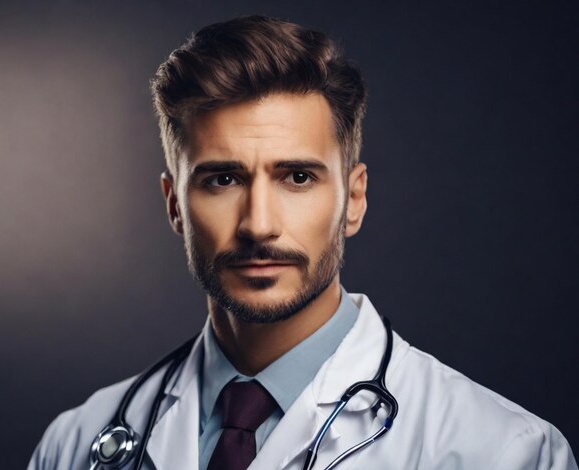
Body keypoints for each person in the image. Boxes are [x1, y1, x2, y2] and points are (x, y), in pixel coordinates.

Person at [28, 15, 577, 470]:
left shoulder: (505, 453)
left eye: (297, 177)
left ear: (354, 199)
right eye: (223, 179)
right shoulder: (75, 445)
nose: (258, 224)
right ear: (175, 204)